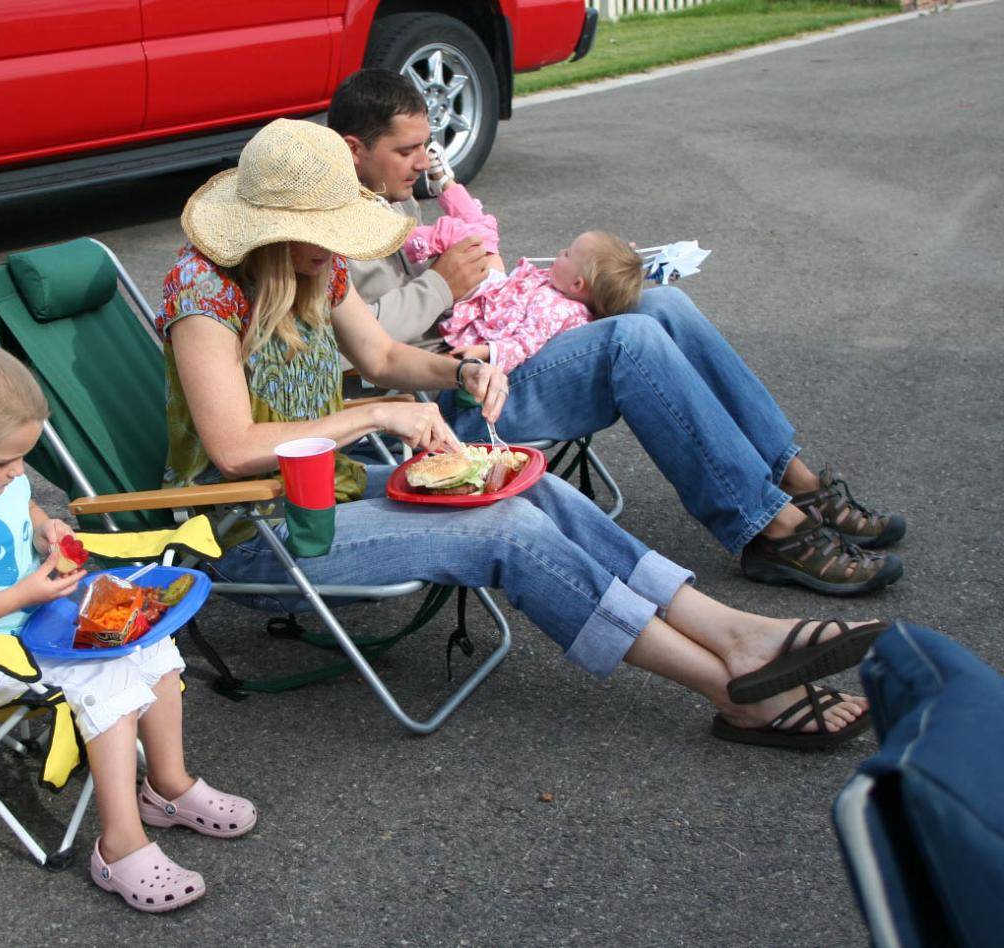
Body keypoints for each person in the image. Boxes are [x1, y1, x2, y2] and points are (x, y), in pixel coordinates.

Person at [155, 117, 886, 753]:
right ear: (276, 229)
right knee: (504, 528)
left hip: (325, 495)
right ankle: (732, 690)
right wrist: (378, 413)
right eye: (322, 235)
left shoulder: (314, 270)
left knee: (528, 484)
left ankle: (733, 631)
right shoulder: (204, 295)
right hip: (252, 533)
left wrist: (461, 366)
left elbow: (380, 356)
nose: (333, 248)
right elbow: (235, 447)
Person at [326, 68, 906, 597]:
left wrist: (477, 272)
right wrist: (444, 285)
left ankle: (797, 481)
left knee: (663, 304)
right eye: (407, 150)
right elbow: (354, 349)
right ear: (355, 149)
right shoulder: (317, 233)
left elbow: (436, 278)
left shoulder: (388, 190)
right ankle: (771, 530)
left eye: (425, 144)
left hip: (484, 350)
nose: (423, 160)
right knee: (631, 340)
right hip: (452, 393)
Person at [0, 332, 255, 914]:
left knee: (147, 642)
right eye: (5, 461)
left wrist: (45, 529)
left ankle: (169, 787)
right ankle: (120, 846)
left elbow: (21, 509)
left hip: (38, 622)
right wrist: (23, 591)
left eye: (23, 457)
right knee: (106, 680)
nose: (17, 471)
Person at [403, 174, 643, 371]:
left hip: (483, 306)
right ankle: (445, 182)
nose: (561, 252)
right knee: (483, 229)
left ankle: (402, 240)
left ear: (578, 284)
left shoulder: (556, 309)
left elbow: (524, 344)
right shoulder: (564, 293)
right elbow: (613, 271)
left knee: (465, 236)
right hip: (497, 293)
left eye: (568, 254)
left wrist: (487, 352)